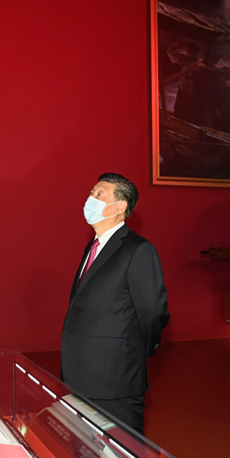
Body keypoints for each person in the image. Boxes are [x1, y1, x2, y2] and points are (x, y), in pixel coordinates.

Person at [61, 173, 169, 435]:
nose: (91, 198)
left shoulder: (138, 249)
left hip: (114, 376)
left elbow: (153, 311)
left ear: (120, 206)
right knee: (85, 448)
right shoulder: (93, 246)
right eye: (91, 193)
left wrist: (134, 352)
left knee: (122, 452)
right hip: (81, 370)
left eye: (99, 194)